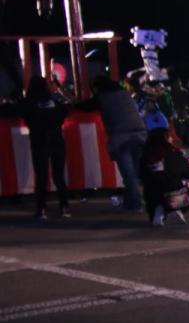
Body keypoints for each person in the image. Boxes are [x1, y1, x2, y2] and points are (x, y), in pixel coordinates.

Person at [2, 76, 71, 219]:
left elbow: (11, 110)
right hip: (57, 140)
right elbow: (65, 110)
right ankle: (64, 207)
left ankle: (42, 209)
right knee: (59, 176)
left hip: (39, 140)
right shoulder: (53, 101)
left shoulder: (29, 102)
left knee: (41, 176)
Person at [77, 75, 147, 212]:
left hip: (121, 138)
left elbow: (84, 107)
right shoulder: (125, 94)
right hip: (140, 135)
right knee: (135, 173)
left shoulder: (102, 98)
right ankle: (131, 202)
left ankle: (135, 204)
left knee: (128, 173)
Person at [140, 128, 189, 226]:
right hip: (173, 196)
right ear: (166, 139)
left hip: (151, 197)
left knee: (153, 191)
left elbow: (141, 175)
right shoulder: (173, 155)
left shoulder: (145, 157)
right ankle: (171, 210)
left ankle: (159, 210)